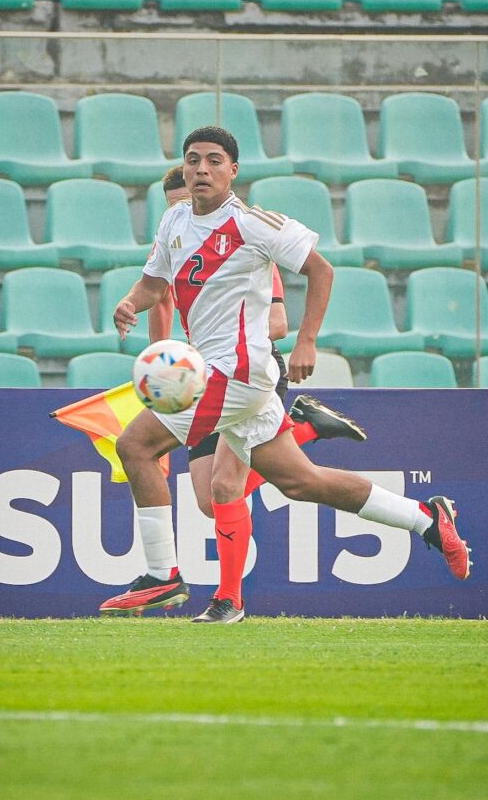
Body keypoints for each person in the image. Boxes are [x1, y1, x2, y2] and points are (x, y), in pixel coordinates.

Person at [104, 126, 472, 624]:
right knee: (299, 482)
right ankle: (427, 519)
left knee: (135, 446)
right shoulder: (174, 219)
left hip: (236, 373)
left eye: (214, 160)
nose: (202, 169)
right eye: (193, 160)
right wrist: (130, 302)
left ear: (233, 170)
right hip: (227, 377)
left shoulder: (252, 224)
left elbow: (321, 270)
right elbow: (153, 285)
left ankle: (161, 575)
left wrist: (306, 341)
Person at [100, 165, 367, 621]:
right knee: (214, 500)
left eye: (187, 200)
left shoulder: (246, 244)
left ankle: (204, 592)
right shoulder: (177, 235)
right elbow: (159, 299)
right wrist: (164, 365)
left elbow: (277, 323)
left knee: (208, 479)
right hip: (198, 378)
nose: (186, 210)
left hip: (244, 373)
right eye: (176, 205)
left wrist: (226, 341)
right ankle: (305, 430)